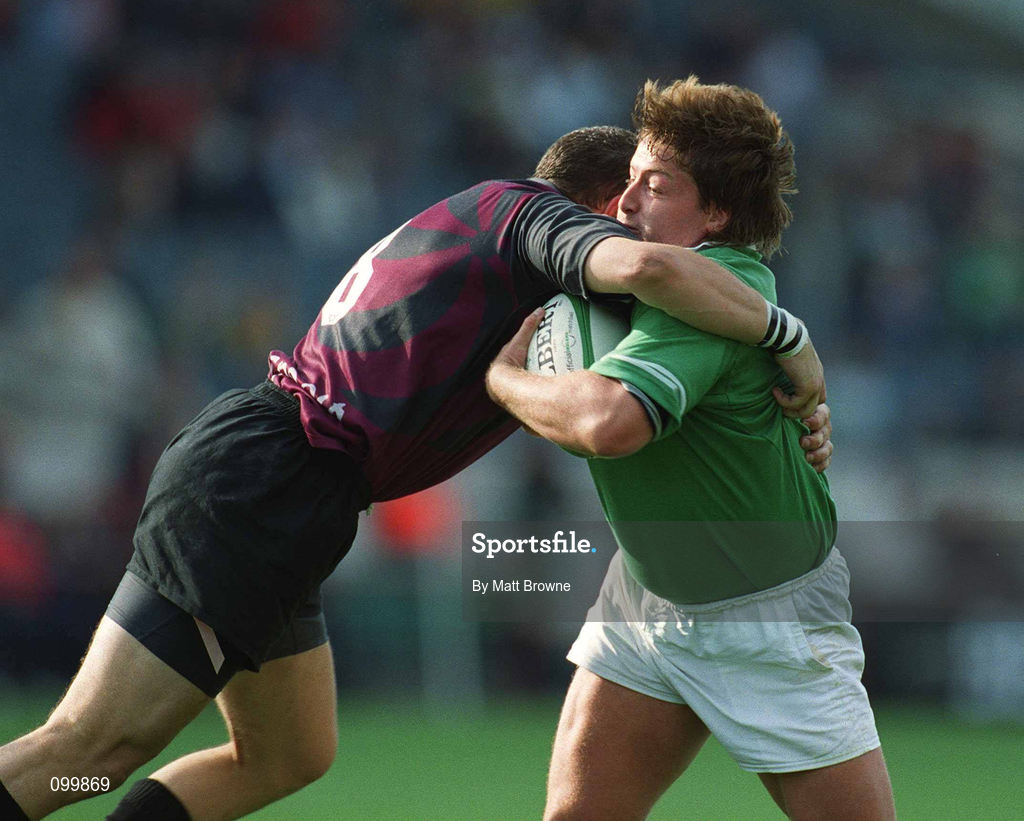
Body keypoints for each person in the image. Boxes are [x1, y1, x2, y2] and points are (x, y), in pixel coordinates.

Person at [0, 125, 830, 821]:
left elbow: (625, 393)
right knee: (88, 754)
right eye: (638, 203)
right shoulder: (534, 218)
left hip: (287, 481)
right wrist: (790, 342)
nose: (649, 226)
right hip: (261, 487)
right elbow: (649, 272)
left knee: (285, 755)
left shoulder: (501, 237)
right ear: (606, 206)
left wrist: (773, 408)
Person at [486, 77, 893, 821]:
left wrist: (504, 380)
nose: (626, 203)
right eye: (630, 179)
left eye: (656, 185)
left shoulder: (710, 288)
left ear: (717, 213)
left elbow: (609, 424)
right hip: (646, 595)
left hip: (769, 622)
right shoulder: (638, 282)